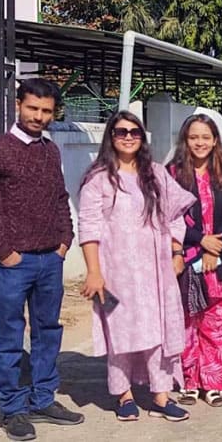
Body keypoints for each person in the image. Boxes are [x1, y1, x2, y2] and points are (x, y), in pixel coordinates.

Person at [0, 78, 85, 440]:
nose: (39, 116)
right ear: (19, 105)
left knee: (48, 334)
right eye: (33, 108)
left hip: (51, 260)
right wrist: (1, 250)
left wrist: (65, 240)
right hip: (14, 264)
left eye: (46, 111)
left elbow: (61, 199)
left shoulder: (51, 151)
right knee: (10, 337)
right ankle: (13, 409)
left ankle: (43, 399)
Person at [78, 111, 196, 422]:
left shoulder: (156, 174)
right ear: (111, 137)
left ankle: (161, 393)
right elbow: (88, 227)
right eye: (121, 132)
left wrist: (176, 251)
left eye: (134, 132)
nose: (128, 136)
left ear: (142, 137)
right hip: (114, 271)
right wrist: (94, 272)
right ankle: (123, 394)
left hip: (156, 271)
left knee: (159, 330)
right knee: (120, 331)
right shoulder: (99, 179)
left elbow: (174, 216)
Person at [166, 114, 222, 408]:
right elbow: (169, 215)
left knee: (217, 322)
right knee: (187, 321)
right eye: (194, 137)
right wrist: (200, 241)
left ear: (215, 141)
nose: (200, 143)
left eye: (206, 137)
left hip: (221, 257)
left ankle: (213, 384)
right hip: (184, 256)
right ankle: (188, 382)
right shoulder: (172, 173)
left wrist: (214, 247)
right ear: (186, 140)